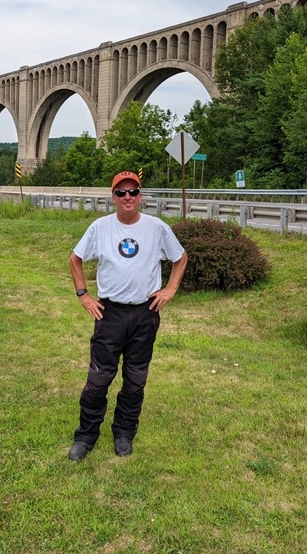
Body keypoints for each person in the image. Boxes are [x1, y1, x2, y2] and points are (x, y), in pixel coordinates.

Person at [68, 171, 187, 461]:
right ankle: (86, 435)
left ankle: (124, 433)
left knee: (135, 380)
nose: (127, 197)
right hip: (110, 313)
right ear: (113, 198)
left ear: (140, 196)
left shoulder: (156, 228)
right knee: (99, 378)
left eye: (133, 191)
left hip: (145, 314)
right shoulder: (100, 227)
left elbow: (180, 258)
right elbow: (75, 259)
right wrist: (84, 295)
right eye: (121, 193)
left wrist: (170, 289)